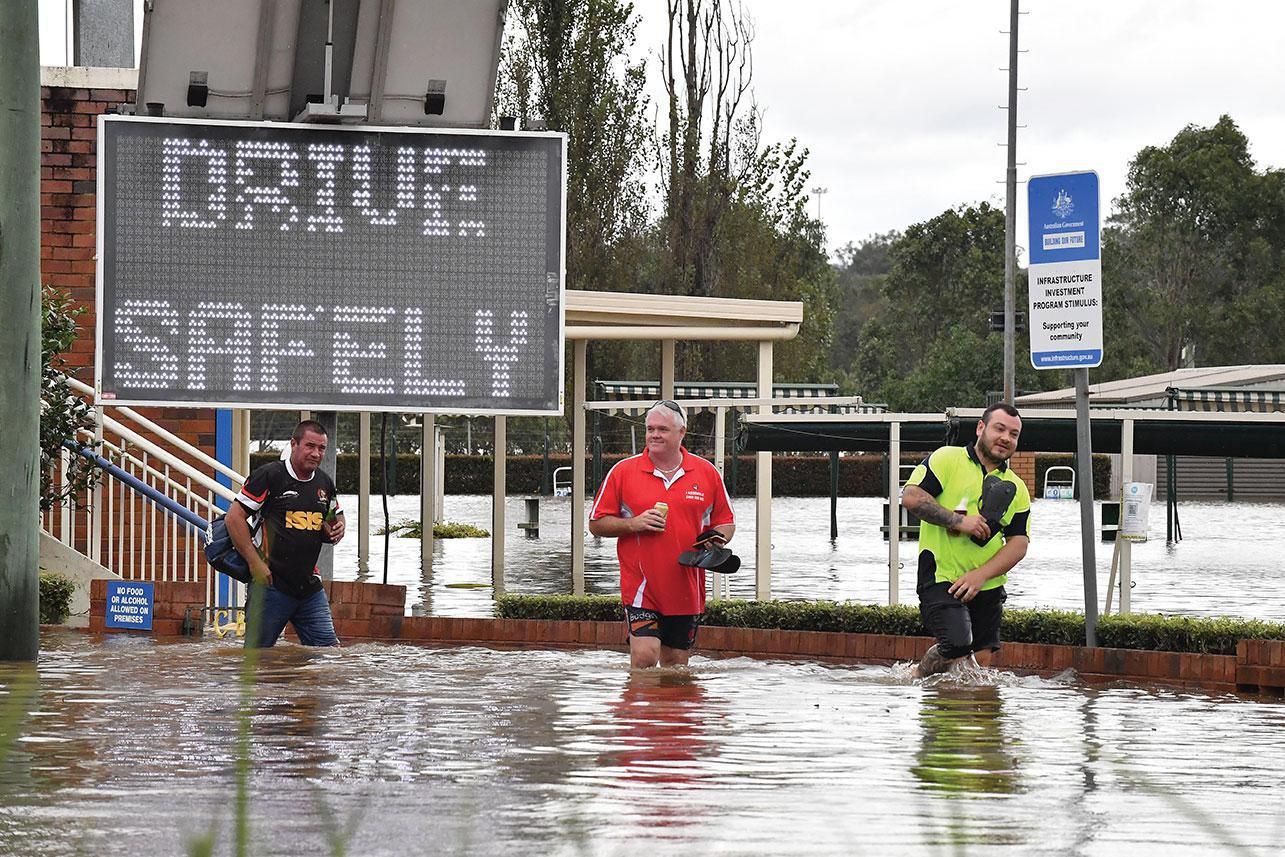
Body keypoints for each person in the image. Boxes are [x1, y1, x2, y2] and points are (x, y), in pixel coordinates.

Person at [589, 400, 735, 668]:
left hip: (686, 587)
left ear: (681, 433)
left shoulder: (707, 472)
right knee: (645, 656)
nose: (654, 435)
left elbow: (726, 522)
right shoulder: (623, 471)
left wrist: (717, 541)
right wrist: (634, 524)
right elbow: (597, 523)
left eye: (663, 429)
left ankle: (666, 711)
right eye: (650, 429)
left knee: (676, 666)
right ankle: (637, 710)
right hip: (641, 587)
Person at [901, 402, 1030, 678]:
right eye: (1000, 429)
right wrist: (960, 521)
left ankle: (964, 712)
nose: (1006, 438)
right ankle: (916, 678)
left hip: (987, 583)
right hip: (941, 575)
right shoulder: (947, 459)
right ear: (981, 428)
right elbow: (911, 497)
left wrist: (980, 576)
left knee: (982, 660)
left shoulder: (1017, 487)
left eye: (1014, 434)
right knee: (957, 644)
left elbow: (1019, 544)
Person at [224, 419, 346, 648]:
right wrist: (254, 563)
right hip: (271, 586)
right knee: (258, 657)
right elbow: (234, 518)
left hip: (309, 587)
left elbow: (334, 515)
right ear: (293, 444)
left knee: (329, 654)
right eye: (310, 446)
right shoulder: (269, 475)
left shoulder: (324, 482)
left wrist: (340, 525)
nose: (316, 454)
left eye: (321, 448)